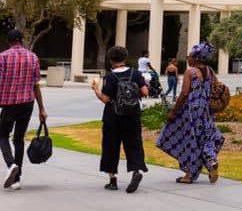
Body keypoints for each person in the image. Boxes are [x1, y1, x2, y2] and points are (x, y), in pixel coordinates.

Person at [0, 29, 47, 191]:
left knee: (3, 136)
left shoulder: (3, 57)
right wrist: (42, 109)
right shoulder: (32, 57)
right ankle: (17, 179)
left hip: (9, 103)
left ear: (9, 41)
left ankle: (11, 164)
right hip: (27, 103)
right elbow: (36, 85)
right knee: (19, 138)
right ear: (22, 40)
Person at [157, 42, 224, 184]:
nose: (188, 58)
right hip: (205, 111)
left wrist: (174, 111)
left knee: (190, 141)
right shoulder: (210, 71)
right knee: (205, 138)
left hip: (191, 111)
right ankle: (211, 161)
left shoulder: (190, 72)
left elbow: (185, 93)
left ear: (195, 58)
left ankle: (189, 175)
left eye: (189, 56)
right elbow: (216, 88)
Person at [91, 46, 148, 193]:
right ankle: (136, 171)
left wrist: (96, 90)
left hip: (113, 116)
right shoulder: (135, 73)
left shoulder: (110, 77)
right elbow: (145, 92)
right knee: (134, 144)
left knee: (111, 146)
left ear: (111, 60)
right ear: (125, 58)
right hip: (132, 115)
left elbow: (105, 99)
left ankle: (113, 180)